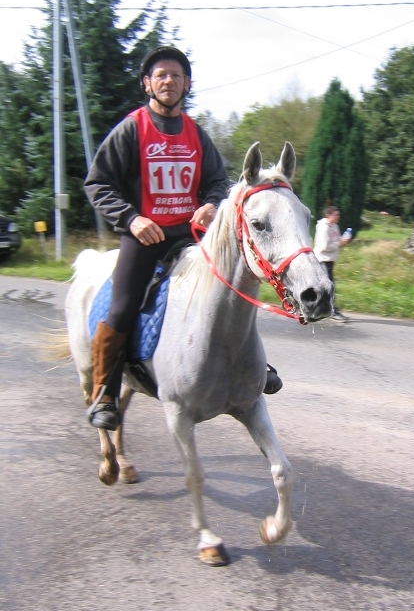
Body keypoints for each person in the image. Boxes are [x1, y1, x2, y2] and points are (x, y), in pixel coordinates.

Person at [84, 46, 281, 431]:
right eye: (160, 75)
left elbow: (218, 181)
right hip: (144, 238)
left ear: (187, 84)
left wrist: (210, 204)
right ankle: (104, 391)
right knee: (123, 306)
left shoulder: (195, 133)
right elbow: (98, 184)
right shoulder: (131, 129)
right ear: (147, 84)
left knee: (233, 288)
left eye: (176, 75)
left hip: (190, 235)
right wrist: (132, 219)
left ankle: (251, 366)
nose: (168, 81)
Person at [313, 205, 351, 322]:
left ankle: (317, 308)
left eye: (338, 214)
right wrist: (339, 243)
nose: (338, 217)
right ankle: (332, 311)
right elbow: (323, 246)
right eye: (335, 215)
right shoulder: (323, 228)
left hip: (330, 260)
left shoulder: (335, 226)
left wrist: (343, 240)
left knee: (322, 286)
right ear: (328, 215)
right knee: (329, 285)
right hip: (322, 260)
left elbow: (336, 239)